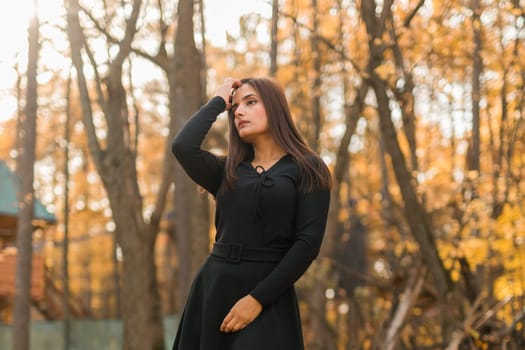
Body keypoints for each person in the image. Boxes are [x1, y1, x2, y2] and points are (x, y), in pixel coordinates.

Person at [171, 77, 332, 350]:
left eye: (251, 102)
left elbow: (307, 245)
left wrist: (257, 299)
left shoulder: (309, 168)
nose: (239, 112)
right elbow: (183, 147)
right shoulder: (227, 171)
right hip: (214, 289)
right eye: (236, 108)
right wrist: (219, 102)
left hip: (269, 294)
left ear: (275, 107)